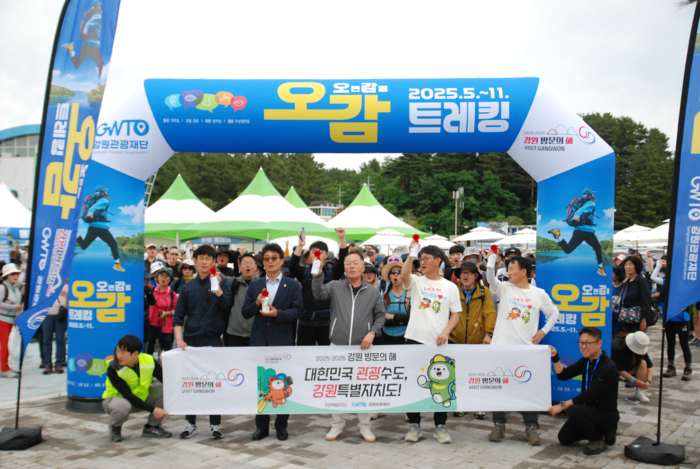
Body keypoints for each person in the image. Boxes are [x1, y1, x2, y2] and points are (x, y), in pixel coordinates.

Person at [486, 251, 560, 446]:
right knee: (500, 387)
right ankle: (498, 425)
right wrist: (491, 260)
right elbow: (490, 278)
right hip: (501, 348)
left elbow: (554, 313)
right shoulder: (504, 288)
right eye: (507, 269)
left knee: (527, 388)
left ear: (524, 271)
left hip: (526, 350)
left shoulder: (538, 294)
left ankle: (531, 427)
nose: (508, 272)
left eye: (511, 269)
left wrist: (543, 331)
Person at [311, 250, 386, 443]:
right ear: (344, 267)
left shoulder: (372, 291)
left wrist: (372, 332)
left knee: (363, 387)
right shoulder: (335, 286)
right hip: (338, 346)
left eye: (355, 263)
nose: (351, 266)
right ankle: (337, 425)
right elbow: (318, 294)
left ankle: (365, 426)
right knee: (336, 387)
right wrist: (318, 272)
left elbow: (380, 316)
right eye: (347, 263)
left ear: (363, 267)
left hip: (363, 349)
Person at [401, 242, 461, 444]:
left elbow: (456, 314)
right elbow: (404, 275)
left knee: (442, 384)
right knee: (413, 383)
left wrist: (445, 332)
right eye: (421, 259)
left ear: (438, 261)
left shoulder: (450, 287)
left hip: (439, 344)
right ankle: (414, 424)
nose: (422, 262)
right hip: (415, 339)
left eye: (426, 259)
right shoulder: (417, 281)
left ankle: (440, 426)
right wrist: (411, 255)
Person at [242, 243, 304, 441]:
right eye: (266, 258)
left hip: (282, 340)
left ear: (281, 260)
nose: (270, 262)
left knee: (281, 382)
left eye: (274, 258)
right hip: (260, 340)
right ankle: (261, 426)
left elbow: (298, 311)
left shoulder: (292, 284)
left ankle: (281, 425)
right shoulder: (255, 284)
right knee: (261, 383)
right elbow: (245, 312)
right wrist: (256, 303)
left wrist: (279, 314)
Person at [173, 245, 232, 440]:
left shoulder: (222, 282)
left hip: (214, 340)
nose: (205, 262)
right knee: (192, 383)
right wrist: (180, 339)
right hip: (191, 341)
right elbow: (178, 316)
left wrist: (218, 290)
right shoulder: (187, 287)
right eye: (201, 258)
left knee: (215, 382)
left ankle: (215, 424)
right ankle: (191, 423)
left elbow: (227, 306)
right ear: (195, 261)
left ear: (213, 261)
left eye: (208, 258)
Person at [549, 327, 619, 456]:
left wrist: (562, 405)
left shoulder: (607, 367)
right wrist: (555, 357)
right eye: (581, 343)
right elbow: (563, 375)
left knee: (573, 409)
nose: (583, 347)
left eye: (588, 343)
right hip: (588, 412)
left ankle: (597, 439)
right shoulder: (586, 361)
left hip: (606, 416)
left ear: (599, 343)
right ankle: (601, 433)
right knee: (564, 438)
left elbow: (590, 394)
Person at [448, 261, 496, 419]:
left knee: (478, 374)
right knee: (459, 374)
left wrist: (488, 333)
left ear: (476, 276)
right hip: (456, 339)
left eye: (469, 273)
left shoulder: (484, 292)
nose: (465, 276)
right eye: (463, 273)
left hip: (477, 340)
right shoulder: (453, 290)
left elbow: (490, 313)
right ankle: (462, 404)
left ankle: (479, 405)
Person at [102, 335, 171, 442]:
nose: (118, 355)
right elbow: (128, 395)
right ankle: (115, 427)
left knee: (166, 390)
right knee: (121, 407)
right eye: (118, 350)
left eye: (123, 353)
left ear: (135, 354)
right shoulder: (113, 367)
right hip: (117, 400)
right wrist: (153, 410)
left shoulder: (148, 360)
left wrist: (165, 364)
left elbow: (167, 381)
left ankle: (151, 427)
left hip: (141, 397)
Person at [290, 228, 348, 346]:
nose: (317, 254)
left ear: (326, 255)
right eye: (314, 251)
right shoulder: (305, 272)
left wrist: (342, 238)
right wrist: (300, 245)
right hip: (306, 321)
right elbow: (293, 266)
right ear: (309, 255)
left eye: (321, 252)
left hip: (327, 322)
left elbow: (343, 260)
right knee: (305, 353)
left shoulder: (332, 272)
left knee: (327, 354)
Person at [547, 188, 605, 277]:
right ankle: (600, 269)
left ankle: (558, 235)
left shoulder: (581, 202)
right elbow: (581, 210)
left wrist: (577, 216)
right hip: (587, 232)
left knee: (568, 250)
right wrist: (577, 215)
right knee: (598, 248)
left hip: (578, 231)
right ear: (590, 195)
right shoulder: (591, 203)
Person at [650, 259, 692, 380]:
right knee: (670, 343)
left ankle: (688, 369)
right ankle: (671, 367)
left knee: (684, 344)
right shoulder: (666, 281)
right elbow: (653, 277)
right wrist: (659, 265)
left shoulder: (684, 283)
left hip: (682, 318)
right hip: (669, 318)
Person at [75, 185, 125, 273]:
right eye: (105, 191)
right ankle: (117, 264)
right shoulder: (104, 200)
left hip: (92, 227)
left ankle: (77, 234)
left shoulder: (93, 199)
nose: (106, 192)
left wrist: (90, 213)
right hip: (101, 228)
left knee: (84, 246)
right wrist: (90, 212)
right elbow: (95, 207)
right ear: (103, 192)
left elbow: (94, 206)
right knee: (113, 244)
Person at [61, 0, 105, 88]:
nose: (100, 7)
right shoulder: (97, 15)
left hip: (85, 44)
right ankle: (99, 84)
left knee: (77, 64)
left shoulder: (90, 14)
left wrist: (85, 29)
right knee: (101, 63)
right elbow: (90, 23)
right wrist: (86, 28)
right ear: (97, 6)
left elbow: (88, 21)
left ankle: (71, 49)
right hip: (93, 45)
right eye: (99, 6)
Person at [225, 253, 258, 347]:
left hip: (255, 333)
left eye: (251, 262)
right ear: (239, 267)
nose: (248, 265)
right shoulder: (233, 282)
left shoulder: (262, 284)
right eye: (244, 263)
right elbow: (219, 277)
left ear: (255, 267)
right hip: (234, 333)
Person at [612, 331, 653, 403]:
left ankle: (639, 392)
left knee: (643, 363)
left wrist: (648, 381)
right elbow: (619, 370)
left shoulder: (641, 346)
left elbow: (650, 365)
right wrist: (635, 381)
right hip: (614, 369)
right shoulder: (616, 347)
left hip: (628, 367)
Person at [380, 256, 410, 345]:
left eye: (399, 272)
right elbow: (380, 319)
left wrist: (390, 316)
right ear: (389, 276)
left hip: (406, 336)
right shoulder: (383, 296)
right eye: (392, 272)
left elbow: (412, 319)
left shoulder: (410, 295)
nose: (395, 275)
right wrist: (401, 321)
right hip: (386, 336)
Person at [147, 267, 176, 355]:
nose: (164, 278)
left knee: (165, 351)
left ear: (170, 279)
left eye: (167, 276)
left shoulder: (172, 294)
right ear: (157, 278)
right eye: (161, 275)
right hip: (151, 325)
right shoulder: (151, 291)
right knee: (149, 349)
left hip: (165, 326)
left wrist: (167, 313)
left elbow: (176, 310)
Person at [0, 264, 23, 378]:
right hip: (3, 320)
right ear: (6, 276)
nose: (15, 276)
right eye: (12, 274)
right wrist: (15, 307)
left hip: (11, 320)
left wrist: (18, 310)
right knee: (5, 345)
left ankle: (5, 366)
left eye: (17, 274)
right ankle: (4, 369)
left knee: (8, 345)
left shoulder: (15, 287)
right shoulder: (2, 287)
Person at [619, 256, 652, 333]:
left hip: (638, 319)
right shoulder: (627, 282)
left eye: (630, 264)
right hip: (626, 319)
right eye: (626, 264)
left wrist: (644, 319)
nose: (627, 267)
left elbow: (646, 300)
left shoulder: (642, 281)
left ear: (636, 266)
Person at [43, 282, 68, 375]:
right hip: (47, 314)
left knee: (60, 339)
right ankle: (47, 364)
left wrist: (66, 307)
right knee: (47, 340)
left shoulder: (65, 283)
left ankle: (59, 363)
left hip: (61, 314)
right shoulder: (44, 283)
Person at [611, 264, 627, 338]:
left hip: (621, 324)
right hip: (611, 322)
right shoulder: (609, 287)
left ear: (618, 276)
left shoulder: (625, 288)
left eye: (612, 273)